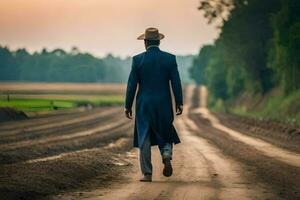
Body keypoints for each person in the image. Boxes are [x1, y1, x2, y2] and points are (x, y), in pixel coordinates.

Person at [125, 27, 183, 182]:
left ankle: (147, 173)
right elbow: (176, 83)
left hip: (144, 104)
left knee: (144, 136)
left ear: (145, 42)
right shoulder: (170, 59)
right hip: (163, 103)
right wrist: (179, 102)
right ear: (159, 41)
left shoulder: (137, 60)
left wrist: (127, 105)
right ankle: (166, 153)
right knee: (166, 131)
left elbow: (132, 85)